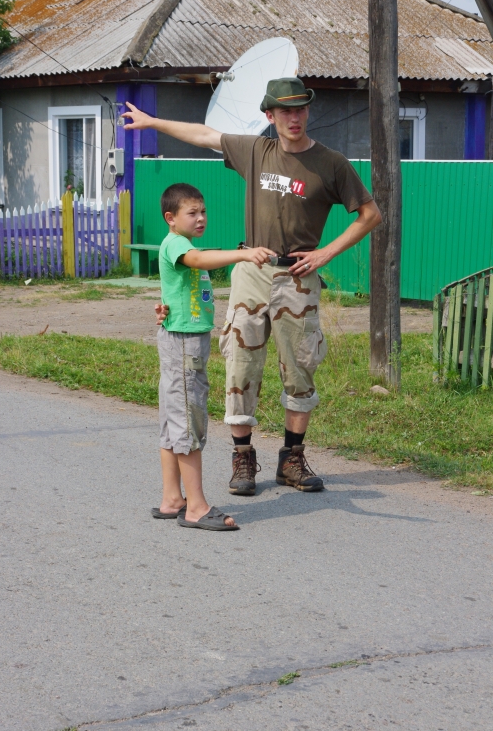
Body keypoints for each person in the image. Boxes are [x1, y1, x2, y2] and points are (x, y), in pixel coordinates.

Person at [123, 77, 381, 497]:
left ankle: (291, 460)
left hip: (298, 277)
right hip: (251, 270)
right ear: (270, 115)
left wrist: (325, 254)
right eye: (285, 111)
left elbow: (370, 214)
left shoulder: (330, 163)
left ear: (307, 112)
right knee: (240, 364)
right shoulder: (257, 151)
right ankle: (242, 458)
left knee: (300, 367)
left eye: (300, 109)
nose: (293, 117)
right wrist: (154, 122)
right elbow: (205, 135)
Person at [152, 182, 275, 530]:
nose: (201, 217)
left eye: (203, 211)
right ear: (170, 218)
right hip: (183, 346)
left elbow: (177, 286)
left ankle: (172, 498)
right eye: (192, 213)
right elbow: (198, 260)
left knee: (173, 422)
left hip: (182, 341)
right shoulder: (180, 246)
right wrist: (242, 254)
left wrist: (163, 309)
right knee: (188, 422)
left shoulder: (181, 244)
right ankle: (196, 508)